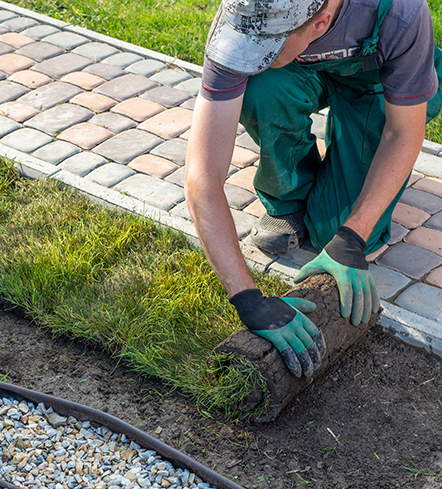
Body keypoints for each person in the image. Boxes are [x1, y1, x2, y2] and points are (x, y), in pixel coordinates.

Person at [185, 0, 442, 378]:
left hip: (377, 83)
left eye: (265, 46)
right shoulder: (245, 18)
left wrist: (352, 238)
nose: (248, 54)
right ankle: (287, 198)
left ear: (320, 22)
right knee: (261, 85)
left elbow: (404, 133)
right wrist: (248, 299)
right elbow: (201, 176)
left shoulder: (401, 12)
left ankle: (351, 134)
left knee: (336, 234)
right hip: (299, 71)